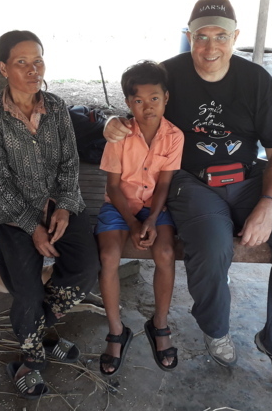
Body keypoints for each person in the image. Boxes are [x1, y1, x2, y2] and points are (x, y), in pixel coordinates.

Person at [104, 0, 272, 405]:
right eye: (201, 36)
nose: (210, 47)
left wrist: (269, 205)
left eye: (220, 36)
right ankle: (215, 327)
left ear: (235, 37)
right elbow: (137, 108)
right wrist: (112, 123)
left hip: (250, 178)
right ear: (189, 36)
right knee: (211, 246)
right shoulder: (169, 73)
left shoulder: (256, 80)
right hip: (192, 182)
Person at [0, 30, 99, 400]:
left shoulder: (57, 107)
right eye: (22, 63)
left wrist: (63, 206)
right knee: (27, 290)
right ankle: (29, 360)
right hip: (15, 214)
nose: (34, 70)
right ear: (3, 68)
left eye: (38, 61)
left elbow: (69, 163)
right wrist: (33, 226)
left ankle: (40, 329)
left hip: (60, 204)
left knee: (84, 271)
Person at [95, 61, 184, 377]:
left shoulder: (174, 136)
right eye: (139, 101)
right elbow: (113, 188)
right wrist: (133, 224)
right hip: (119, 206)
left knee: (166, 253)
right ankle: (116, 330)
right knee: (108, 256)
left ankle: (159, 323)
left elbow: (164, 185)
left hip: (155, 208)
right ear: (128, 103)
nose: (148, 107)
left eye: (154, 99)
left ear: (166, 98)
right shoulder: (119, 135)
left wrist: (151, 220)